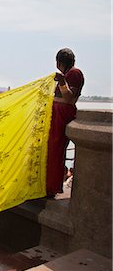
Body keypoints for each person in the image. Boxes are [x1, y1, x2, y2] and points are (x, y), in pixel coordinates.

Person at [46, 48, 84, 197]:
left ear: (59, 62)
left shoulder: (74, 73)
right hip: (58, 113)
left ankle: (51, 187)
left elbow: (69, 98)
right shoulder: (70, 73)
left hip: (62, 114)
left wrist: (62, 82)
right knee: (51, 149)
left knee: (55, 148)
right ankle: (49, 185)